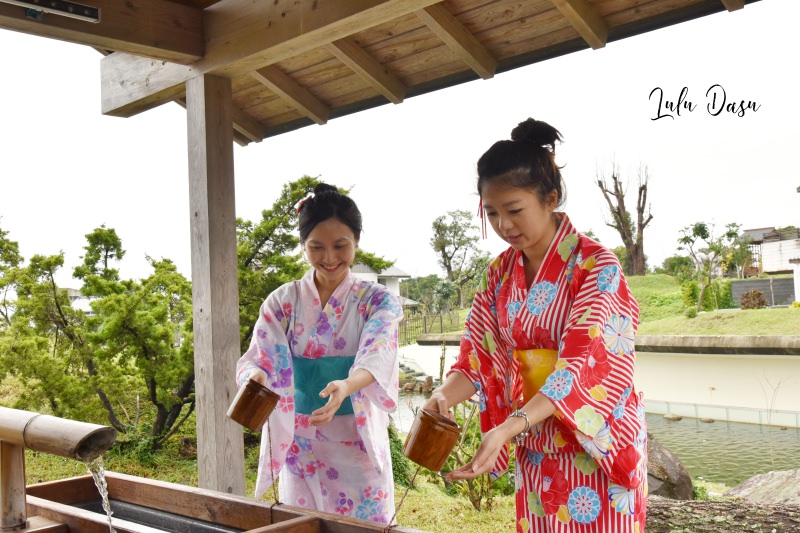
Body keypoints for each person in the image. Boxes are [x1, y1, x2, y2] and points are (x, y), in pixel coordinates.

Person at [424, 119, 647, 532]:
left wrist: (511, 426)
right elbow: (479, 357)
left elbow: (584, 366)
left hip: (594, 443)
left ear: (551, 198)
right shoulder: (498, 274)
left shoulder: (596, 266)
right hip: (534, 442)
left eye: (514, 211)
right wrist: (443, 396)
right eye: (491, 213)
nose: (504, 225)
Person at [236, 183, 402, 524]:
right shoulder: (283, 301)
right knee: (301, 528)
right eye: (317, 247)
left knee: (364, 530)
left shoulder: (377, 300)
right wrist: (257, 375)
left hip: (356, 446)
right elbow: (261, 357)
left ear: (356, 242)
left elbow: (377, 353)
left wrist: (347, 384)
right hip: (300, 443)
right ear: (303, 246)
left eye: (341, 246)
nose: (329, 258)